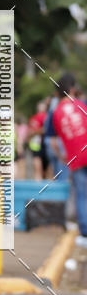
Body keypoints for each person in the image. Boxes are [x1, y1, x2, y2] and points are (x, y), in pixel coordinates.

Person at [52, 74, 87, 245]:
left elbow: (52, 141)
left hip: (76, 158)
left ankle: (85, 233)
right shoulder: (81, 105)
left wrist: (62, 155)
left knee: (82, 194)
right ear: (72, 88)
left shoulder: (56, 113)